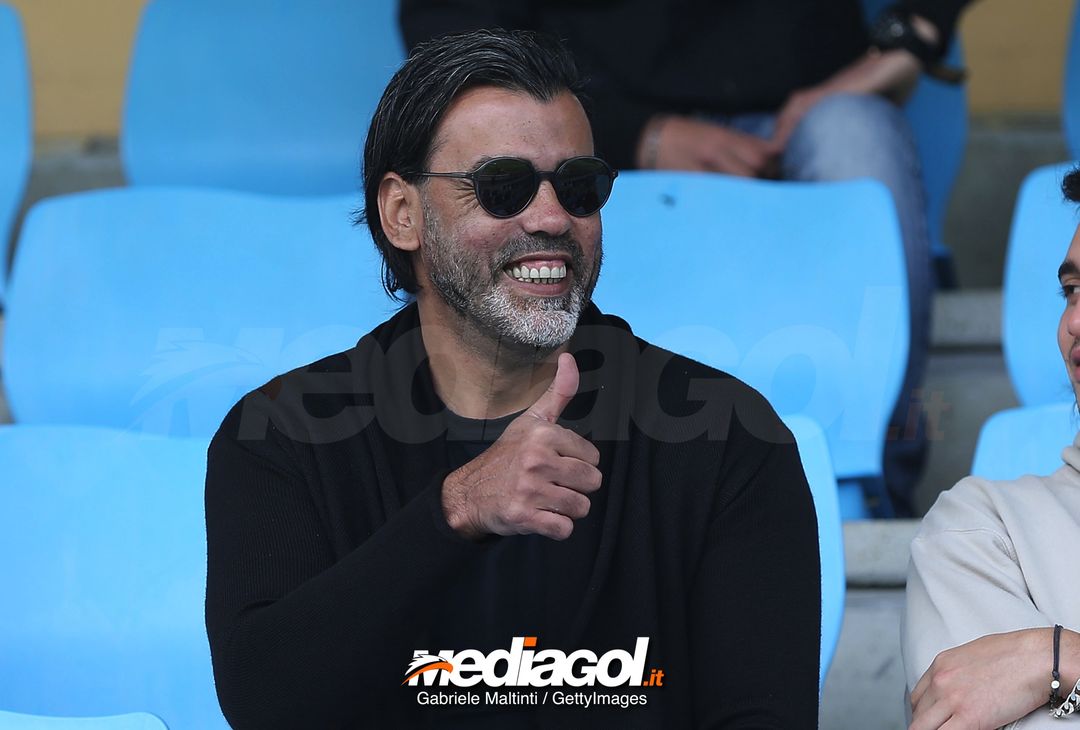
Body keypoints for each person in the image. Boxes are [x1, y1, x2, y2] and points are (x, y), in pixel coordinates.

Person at [204, 29, 820, 728]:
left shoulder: (727, 437)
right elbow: (264, 702)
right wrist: (454, 511)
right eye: (504, 188)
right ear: (402, 213)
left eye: (580, 185)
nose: (554, 217)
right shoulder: (283, 434)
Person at [400, 0, 974, 517]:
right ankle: (504, 470)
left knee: (856, 131)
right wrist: (636, 134)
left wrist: (913, 36)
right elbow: (450, 34)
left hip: (805, 112)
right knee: (507, 173)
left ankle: (878, 483)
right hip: (577, 128)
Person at [901, 169, 1080, 729]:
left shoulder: (1049, 656)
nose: (1075, 322)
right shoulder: (982, 529)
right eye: (1072, 291)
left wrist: (1056, 658)